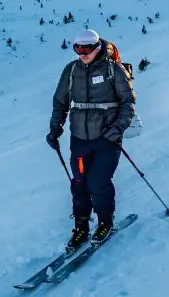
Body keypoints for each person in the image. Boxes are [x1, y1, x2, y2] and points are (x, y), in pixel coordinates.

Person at [47, 29, 136, 250]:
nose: (82, 53)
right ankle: (81, 228)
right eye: (78, 48)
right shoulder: (71, 71)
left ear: (97, 48)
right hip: (79, 138)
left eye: (87, 48)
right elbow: (61, 102)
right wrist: (55, 128)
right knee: (79, 184)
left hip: (108, 139)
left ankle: (105, 222)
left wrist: (117, 129)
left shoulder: (113, 70)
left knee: (98, 182)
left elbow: (128, 103)